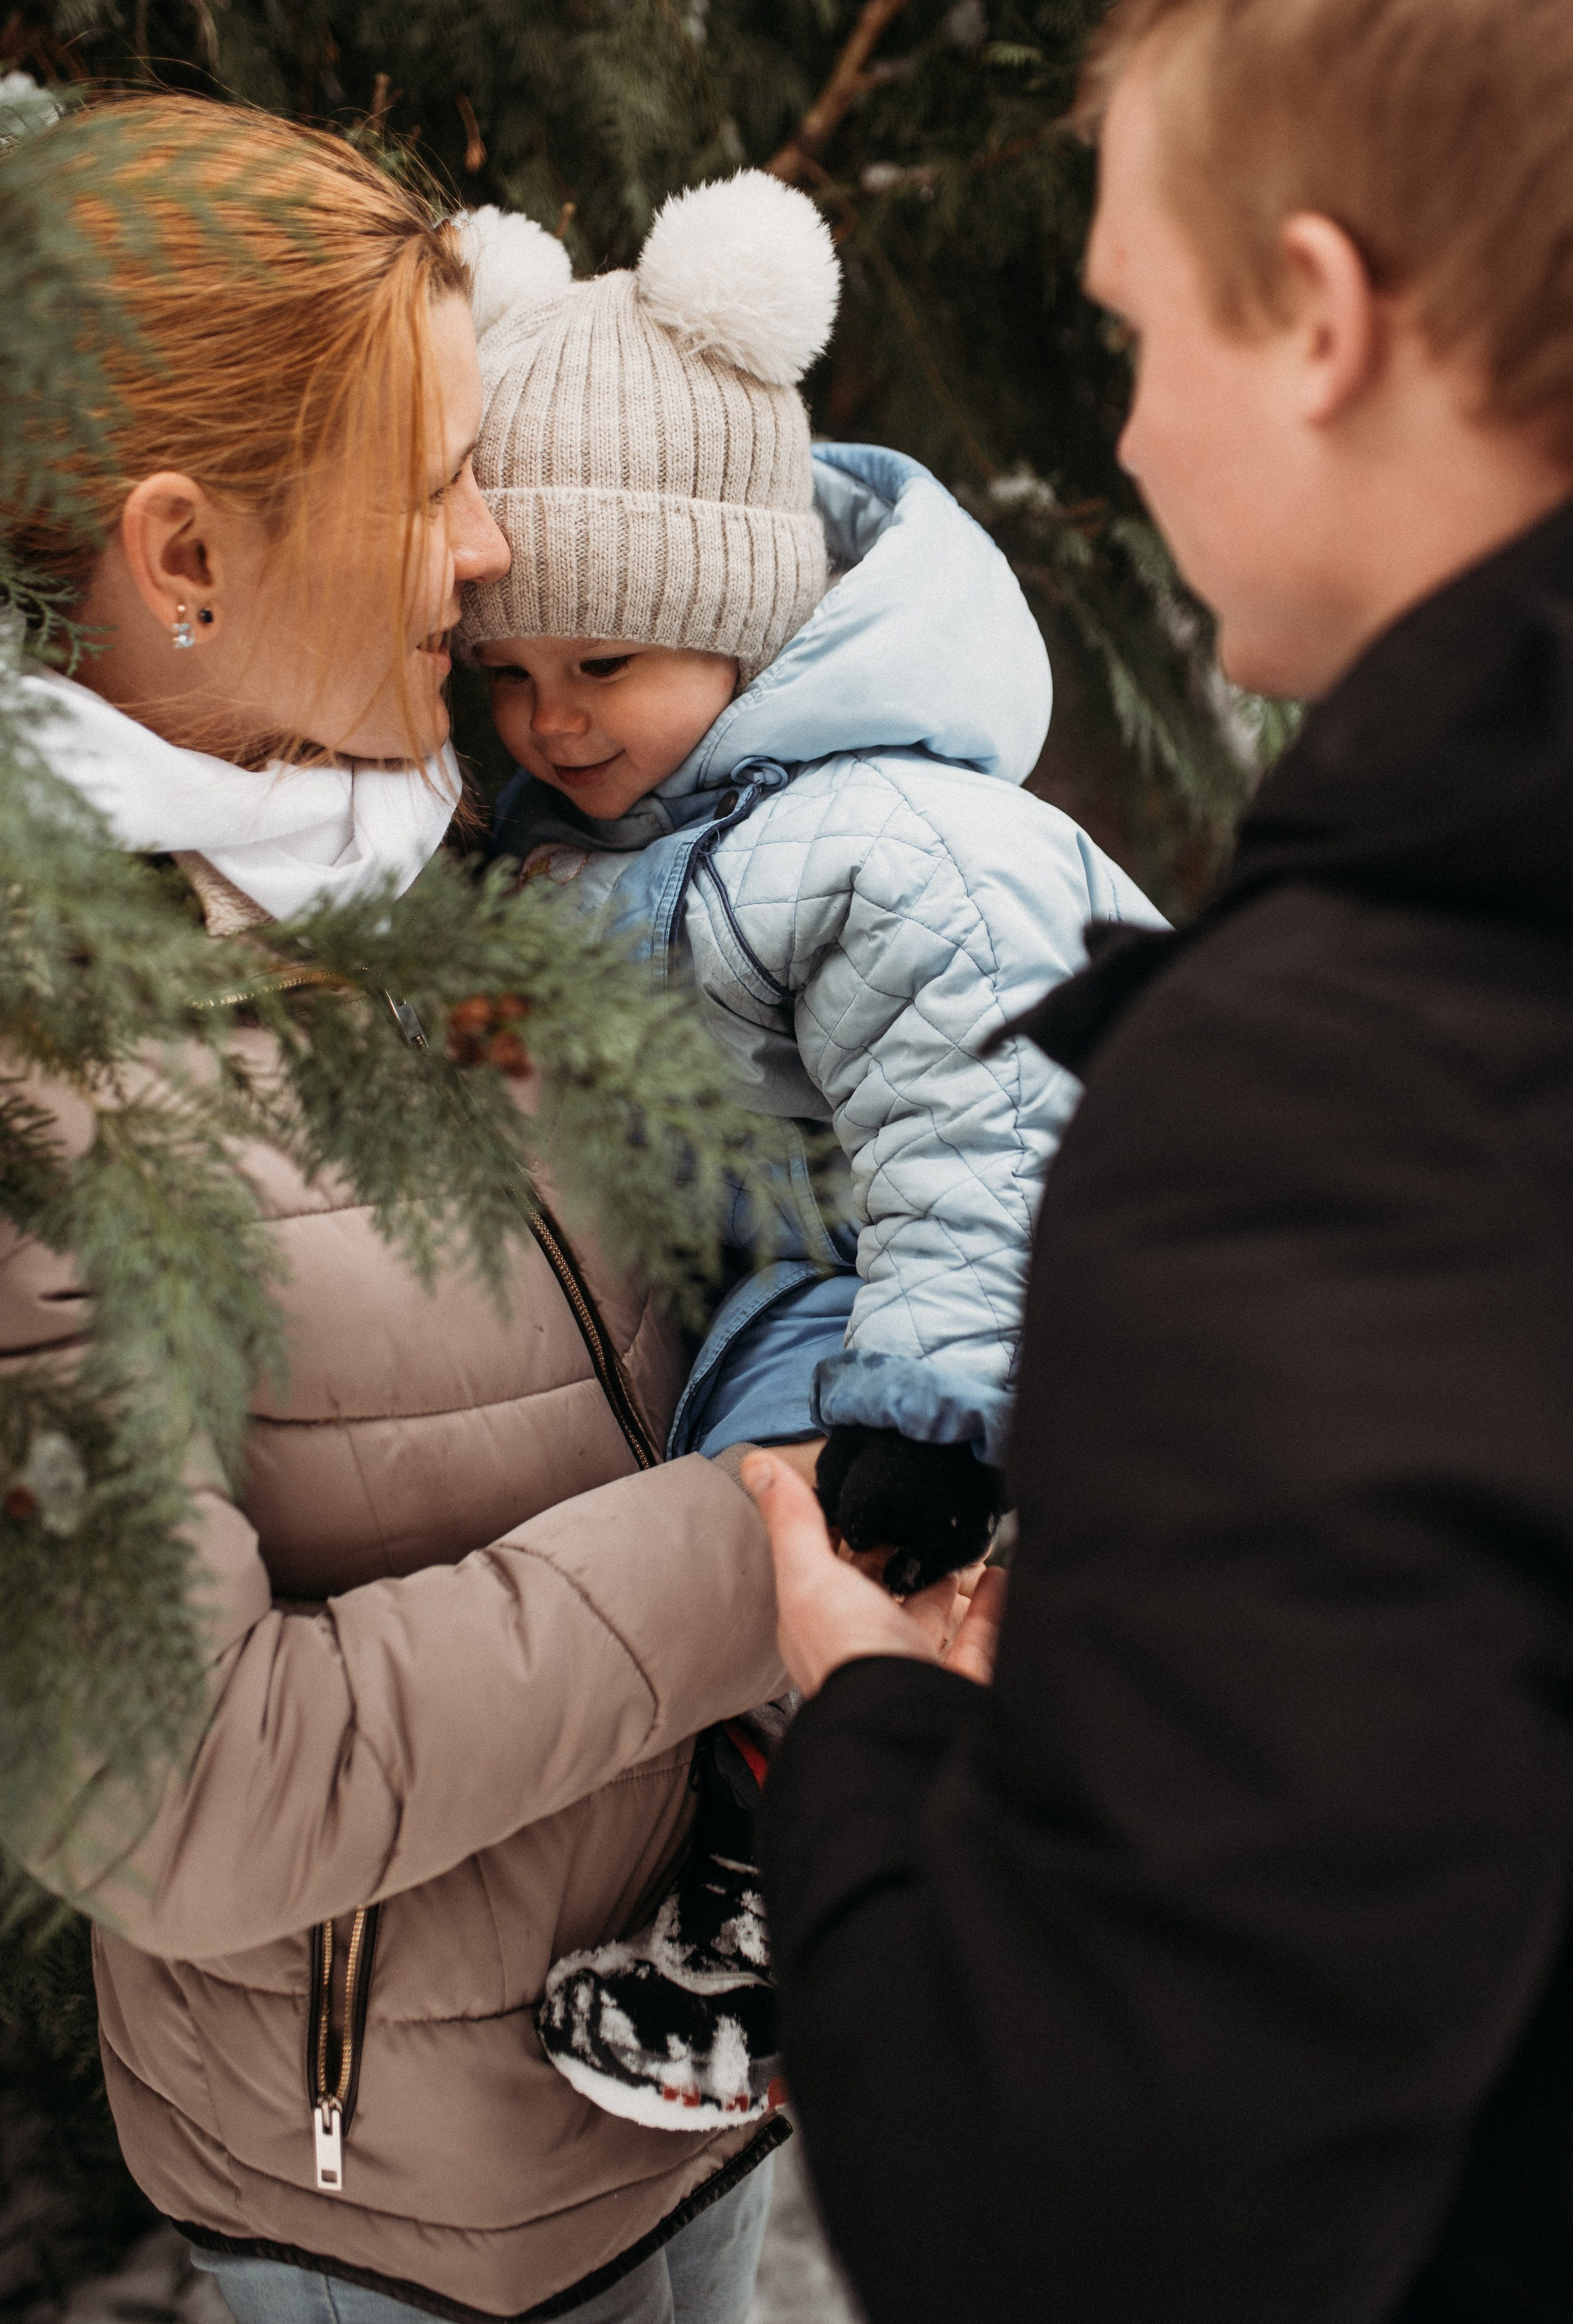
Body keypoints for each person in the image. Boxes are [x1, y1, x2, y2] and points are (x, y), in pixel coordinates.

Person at [742, 0, 1573, 2319]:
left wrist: (875, 1746)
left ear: (1321, 315)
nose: (1116, 434)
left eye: (1135, 326)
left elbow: (1091, 2222)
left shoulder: (1357, 1095)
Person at [0, 95, 793, 2324]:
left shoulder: (420, 843)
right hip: (387, 2221)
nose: (491, 553)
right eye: (439, 476)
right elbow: (178, 1794)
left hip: (678, 2111)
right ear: (182, 557)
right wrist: (763, 1544)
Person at [448, 170, 1159, 2129]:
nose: (551, 717)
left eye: (603, 664)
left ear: (738, 620)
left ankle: (781, 1922)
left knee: (776, 1495)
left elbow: (989, 1123)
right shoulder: (639, 824)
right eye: (509, 671)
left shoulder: (882, 837)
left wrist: (928, 1408)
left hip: (947, 1305)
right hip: (796, 1265)